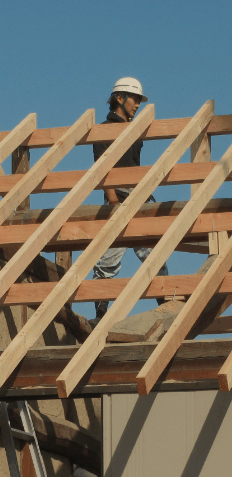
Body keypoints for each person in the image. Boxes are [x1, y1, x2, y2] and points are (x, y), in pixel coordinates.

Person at [91, 77, 169, 321]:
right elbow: (103, 166)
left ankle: (166, 301)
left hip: (139, 196)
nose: (137, 104)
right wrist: (113, 201)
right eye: (134, 99)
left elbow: (134, 166)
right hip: (119, 196)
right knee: (110, 259)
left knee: (153, 253)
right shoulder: (104, 129)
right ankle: (101, 312)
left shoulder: (135, 130)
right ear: (119, 98)